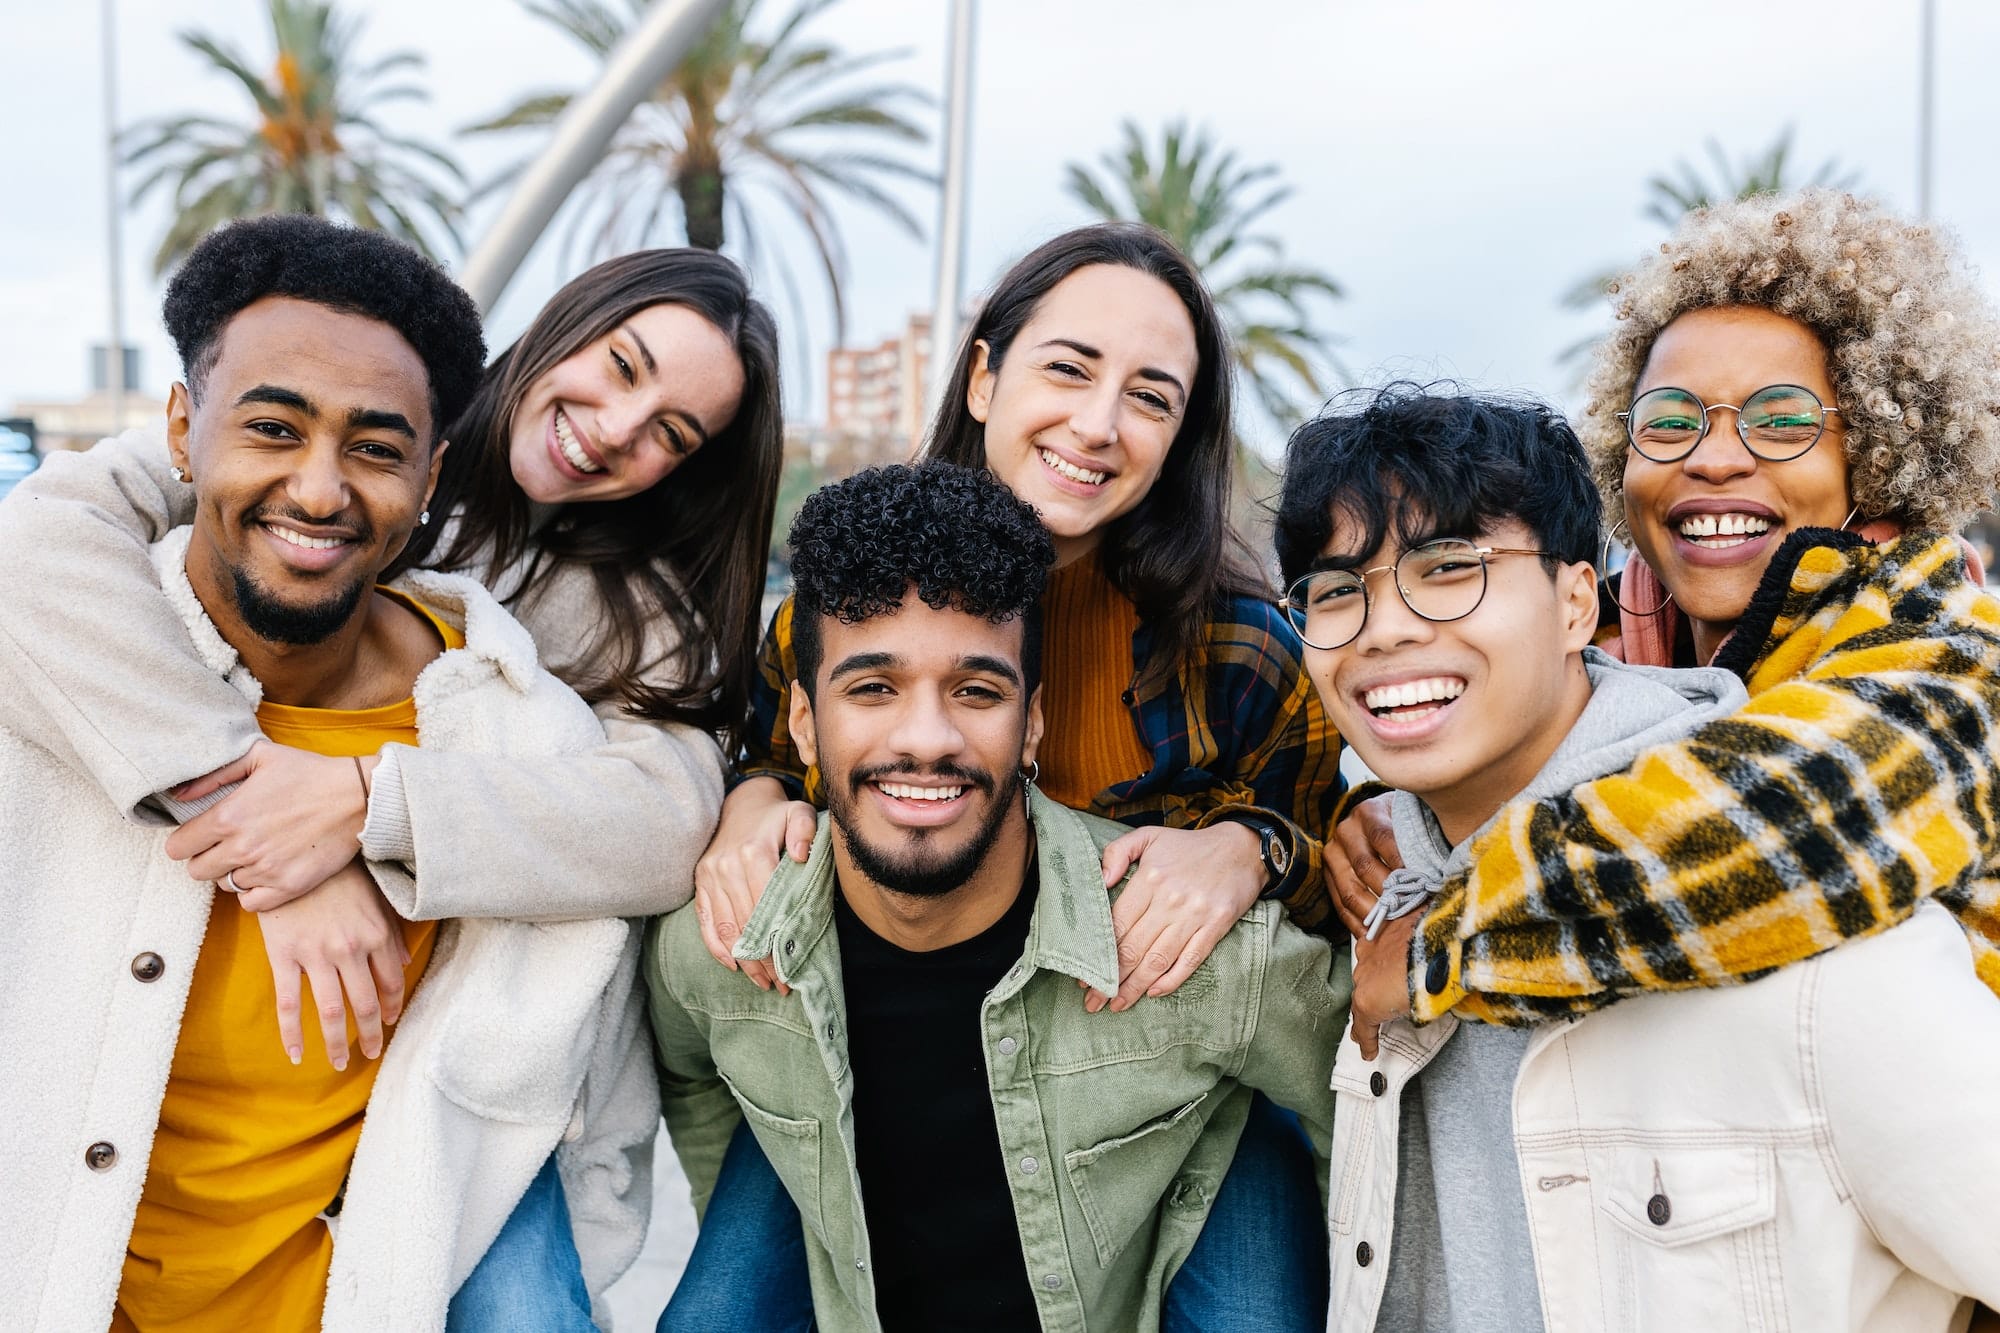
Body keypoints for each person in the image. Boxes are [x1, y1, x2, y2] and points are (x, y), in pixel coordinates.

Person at [0, 229, 784, 1322]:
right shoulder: (305, 422)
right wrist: (262, 821)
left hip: (438, 1057)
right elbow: (35, 547)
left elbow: (661, 815)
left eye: (669, 433)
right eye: (620, 367)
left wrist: (366, 803)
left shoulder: (627, 616)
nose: (613, 430)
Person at [676, 222, 1349, 1330]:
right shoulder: (841, 597)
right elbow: (766, 738)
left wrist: (1247, 847)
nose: (1097, 424)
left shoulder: (1241, 646)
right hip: (886, 1054)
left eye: (1150, 396)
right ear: (984, 375)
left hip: (1154, 1093)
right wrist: (752, 801)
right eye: (1069, 369)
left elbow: (1328, 876)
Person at [1275, 384, 2000, 1331]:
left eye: (1448, 566)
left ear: (1580, 599)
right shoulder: (1377, 900)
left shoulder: (1808, 940)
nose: (1385, 628)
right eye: (1336, 591)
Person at [1320, 190, 2000, 1040]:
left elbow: (1777, 830)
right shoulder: (1612, 626)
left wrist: (1438, 946)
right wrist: (1396, 811)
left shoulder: (1951, 658)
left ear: (1875, 450)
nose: (1715, 458)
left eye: (1782, 420)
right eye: (1670, 421)